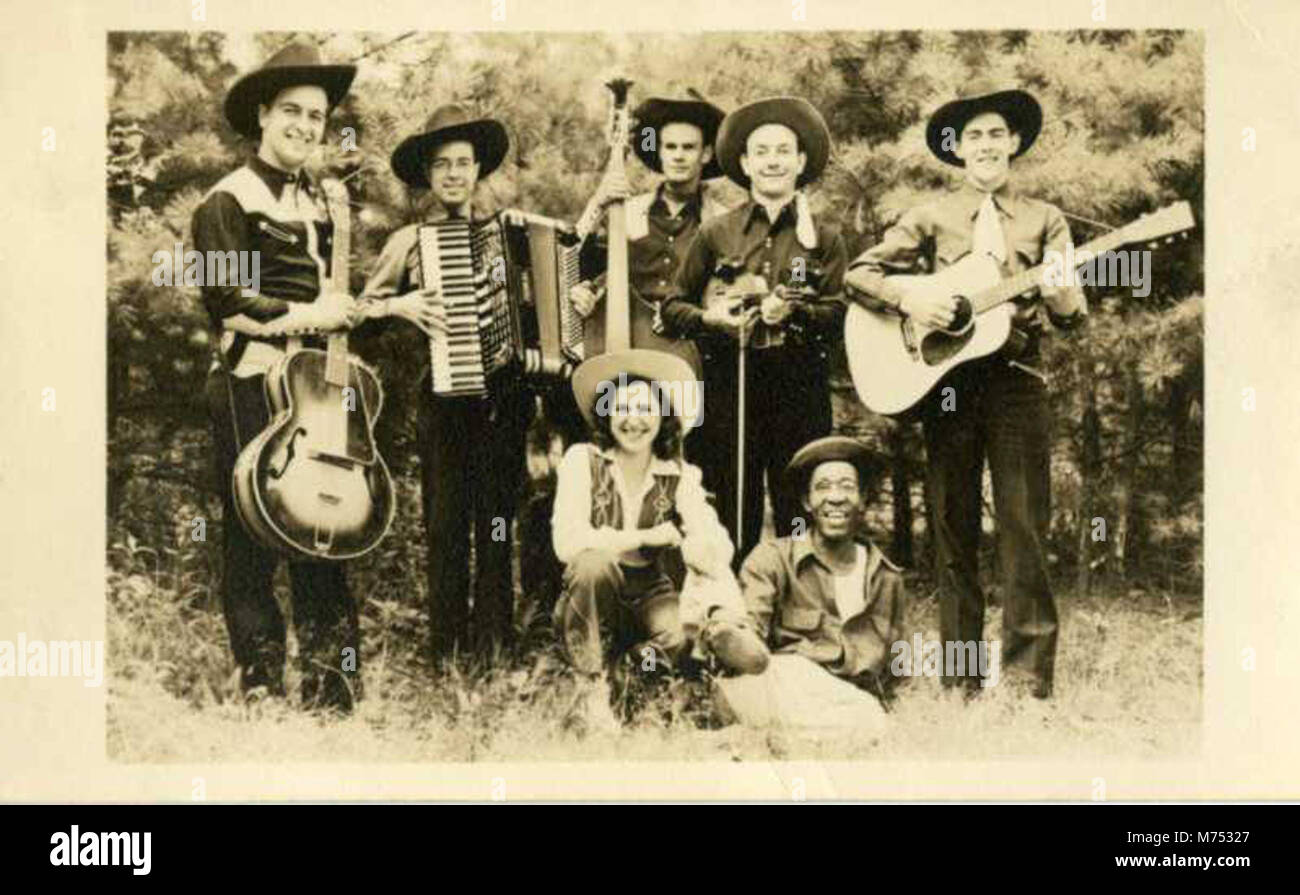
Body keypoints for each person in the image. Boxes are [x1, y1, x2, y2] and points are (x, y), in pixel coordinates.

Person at [843, 80, 1088, 698]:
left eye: (996, 134)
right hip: (947, 384)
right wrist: (915, 297)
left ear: (1014, 144)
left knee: (1023, 526)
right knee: (952, 528)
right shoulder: (930, 217)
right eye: (973, 135)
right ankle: (959, 681)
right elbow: (860, 274)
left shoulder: (1045, 218)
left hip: (1017, 382)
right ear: (956, 148)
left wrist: (1062, 287)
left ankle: (1028, 684)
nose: (985, 144)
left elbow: (1070, 315)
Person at [191, 41, 362, 711]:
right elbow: (226, 299)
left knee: (326, 526)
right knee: (252, 533)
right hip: (249, 382)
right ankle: (262, 688)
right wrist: (310, 313)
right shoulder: (225, 200)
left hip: (313, 387)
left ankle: (334, 694)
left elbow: (331, 294)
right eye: (291, 110)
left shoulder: (319, 200)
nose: (304, 126)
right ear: (263, 114)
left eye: (316, 116)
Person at [360, 104, 532, 663]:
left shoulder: (514, 233)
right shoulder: (410, 241)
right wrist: (402, 304)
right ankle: (448, 648)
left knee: (499, 523)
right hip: (442, 399)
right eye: (442, 165)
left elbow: (548, 297)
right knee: (446, 524)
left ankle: (496, 644)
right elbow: (362, 310)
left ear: (479, 170)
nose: (454, 174)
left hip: (505, 401)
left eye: (464, 163)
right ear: (429, 177)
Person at [659, 96, 847, 565]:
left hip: (799, 384)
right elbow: (672, 305)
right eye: (761, 151)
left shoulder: (825, 236)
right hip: (730, 383)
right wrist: (712, 321)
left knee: (798, 504)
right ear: (744, 163)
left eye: (783, 151)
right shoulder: (716, 232)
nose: (773, 161)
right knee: (731, 503)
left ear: (801, 161)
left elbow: (841, 313)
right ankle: (732, 615)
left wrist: (796, 315)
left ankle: (800, 614)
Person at [552, 348, 769, 729]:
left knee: (678, 635)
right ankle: (589, 686)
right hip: (593, 591)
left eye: (645, 409)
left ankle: (629, 674)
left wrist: (700, 544)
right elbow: (566, 543)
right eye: (623, 408)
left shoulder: (680, 474)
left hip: (650, 590)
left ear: (663, 418)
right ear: (605, 414)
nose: (634, 420)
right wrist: (646, 535)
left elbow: (717, 543)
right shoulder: (582, 459)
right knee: (593, 563)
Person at [728, 437, 904, 728]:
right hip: (788, 683)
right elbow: (750, 629)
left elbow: (895, 669)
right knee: (786, 672)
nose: (835, 497)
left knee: (870, 718)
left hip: (851, 700)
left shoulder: (887, 578)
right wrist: (736, 638)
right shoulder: (773, 559)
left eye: (847, 487)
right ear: (807, 501)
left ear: (863, 499)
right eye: (822, 487)